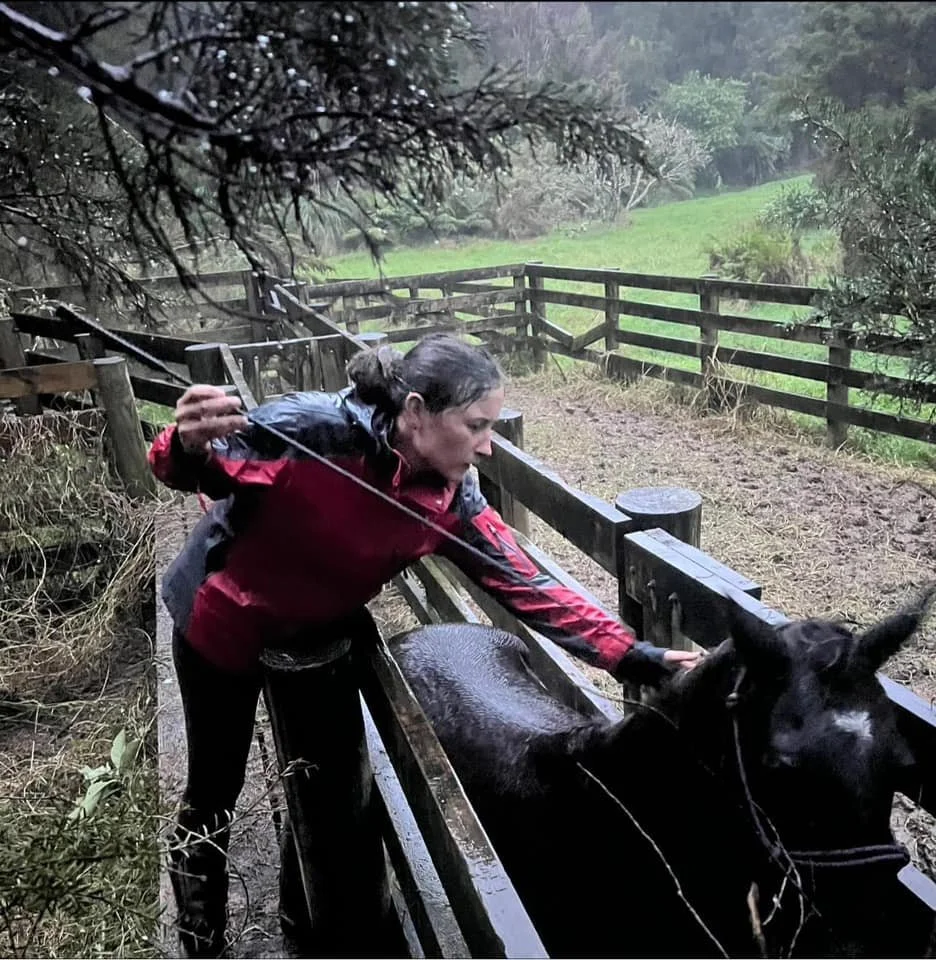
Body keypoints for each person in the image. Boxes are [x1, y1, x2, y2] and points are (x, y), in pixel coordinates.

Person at [150, 332, 700, 958]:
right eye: (475, 426)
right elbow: (194, 468)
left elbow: (529, 584)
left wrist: (636, 657)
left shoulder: (450, 499)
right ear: (415, 412)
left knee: (318, 781)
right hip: (222, 621)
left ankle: (302, 915)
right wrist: (183, 441)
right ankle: (201, 935)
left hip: (321, 638)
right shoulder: (311, 432)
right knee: (215, 785)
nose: (488, 446)